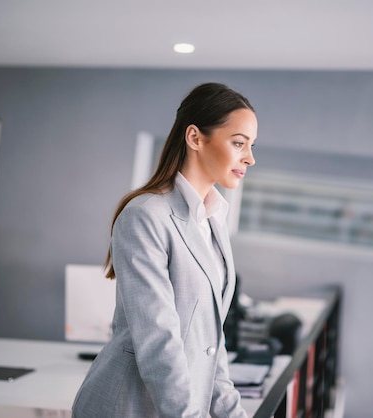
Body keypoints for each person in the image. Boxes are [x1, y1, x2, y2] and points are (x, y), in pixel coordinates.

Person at [72, 82, 257, 418]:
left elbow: (212, 345)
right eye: (239, 143)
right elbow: (159, 341)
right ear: (195, 138)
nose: (250, 157)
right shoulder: (145, 216)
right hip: (127, 405)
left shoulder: (214, 220)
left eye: (251, 145)